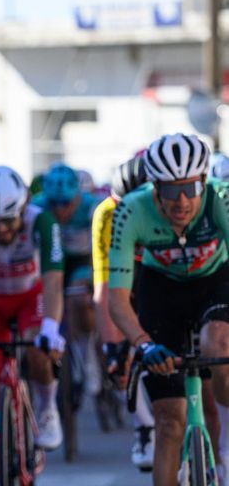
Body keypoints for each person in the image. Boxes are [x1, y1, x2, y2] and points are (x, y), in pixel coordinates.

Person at [109, 133, 229, 486]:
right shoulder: (131, 210)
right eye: (171, 190)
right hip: (161, 290)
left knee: (219, 344)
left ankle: (225, 446)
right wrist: (143, 344)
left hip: (215, 282)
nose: (182, 201)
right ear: (155, 187)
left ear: (204, 181)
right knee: (169, 422)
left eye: (190, 188)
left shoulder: (221, 198)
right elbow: (117, 300)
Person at [0, 165, 64, 486]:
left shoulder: (42, 221)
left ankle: (47, 408)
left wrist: (51, 326)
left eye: (9, 220)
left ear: (23, 207)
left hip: (29, 297)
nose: (3, 229)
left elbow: (53, 279)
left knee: (39, 349)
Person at [91, 155, 157, 470]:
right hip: (126, 275)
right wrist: (111, 345)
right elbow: (103, 289)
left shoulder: (170, 207)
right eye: (122, 208)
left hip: (162, 273)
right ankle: (145, 426)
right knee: (121, 353)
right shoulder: (105, 215)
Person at [31, 163, 102, 420]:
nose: (60, 210)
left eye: (66, 204)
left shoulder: (91, 207)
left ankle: (88, 352)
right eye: (55, 204)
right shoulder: (38, 207)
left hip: (83, 262)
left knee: (80, 300)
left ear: (77, 197)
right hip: (52, 264)